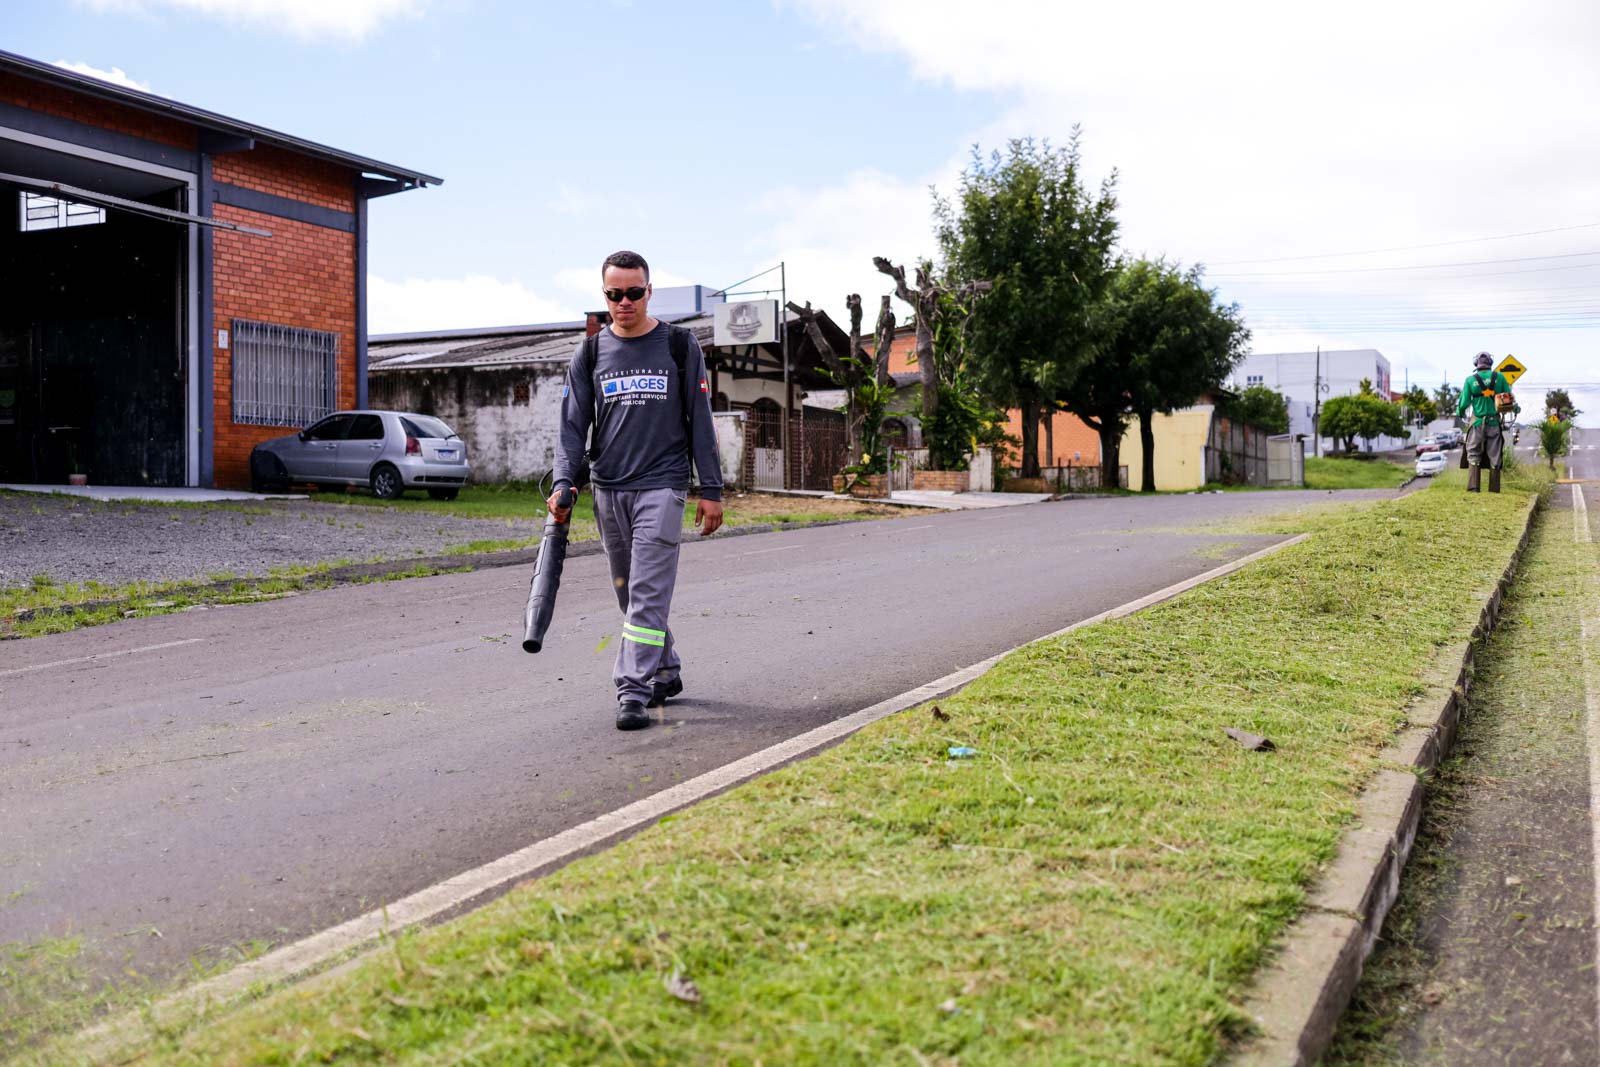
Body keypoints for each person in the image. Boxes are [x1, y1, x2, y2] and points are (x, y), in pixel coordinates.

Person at [548, 251, 724, 731]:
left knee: (646, 591)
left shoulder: (679, 346)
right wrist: (564, 481)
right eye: (614, 294)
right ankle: (664, 669)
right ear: (604, 295)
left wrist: (711, 488)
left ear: (649, 291)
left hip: (662, 486)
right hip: (609, 488)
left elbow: (701, 421)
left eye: (633, 292)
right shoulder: (589, 353)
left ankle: (632, 689)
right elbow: (572, 428)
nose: (624, 302)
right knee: (629, 593)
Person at [1455, 351, 1519, 493]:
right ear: (1490, 363)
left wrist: (1460, 412)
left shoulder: (1470, 380)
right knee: (1495, 456)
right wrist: (1516, 409)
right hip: (1494, 423)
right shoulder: (1499, 378)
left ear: (1476, 364)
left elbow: (1464, 403)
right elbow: (1509, 399)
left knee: (1473, 454)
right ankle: (1494, 489)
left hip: (1477, 424)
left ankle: (1474, 487)